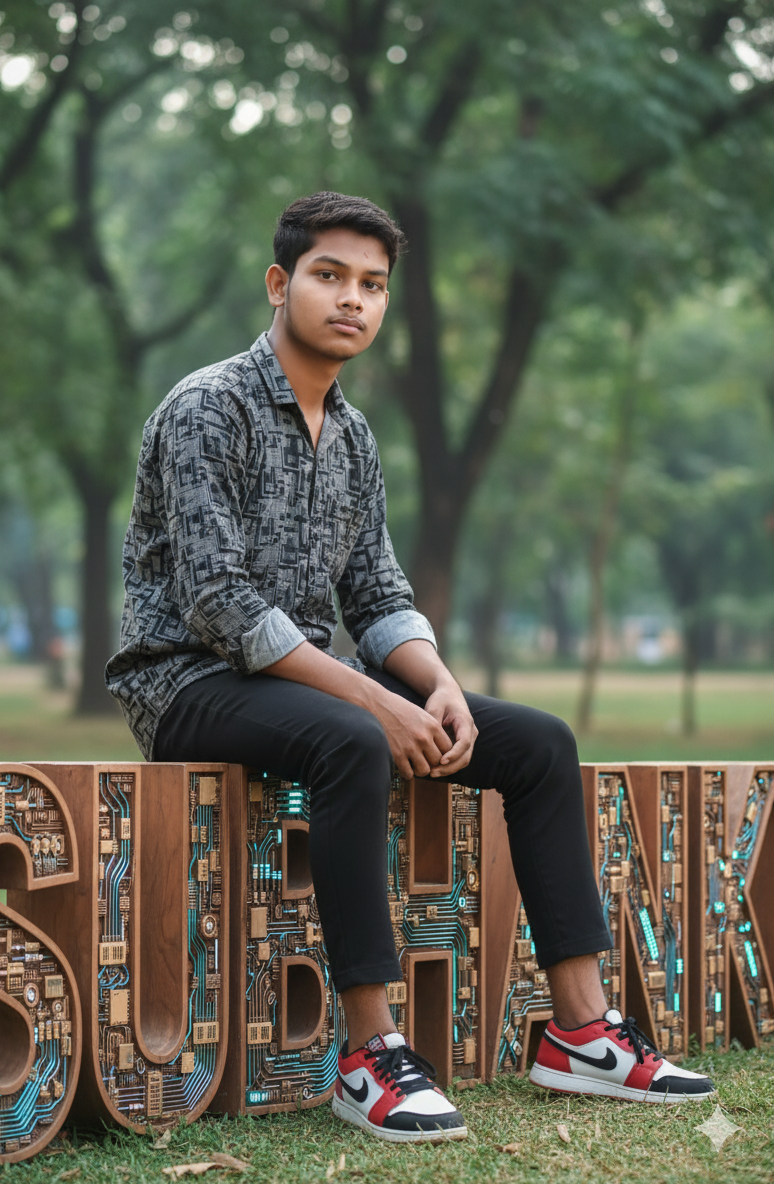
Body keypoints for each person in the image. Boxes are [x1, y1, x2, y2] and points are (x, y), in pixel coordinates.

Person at [105, 191, 714, 1143]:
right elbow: (217, 602)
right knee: (354, 737)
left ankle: (582, 1035)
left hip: (299, 682)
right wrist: (375, 703)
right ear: (280, 283)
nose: (353, 299)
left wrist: (436, 687)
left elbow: (379, 595)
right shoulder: (205, 408)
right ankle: (370, 1057)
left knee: (540, 743)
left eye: (373, 285)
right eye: (330, 275)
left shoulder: (353, 439)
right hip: (185, 681)